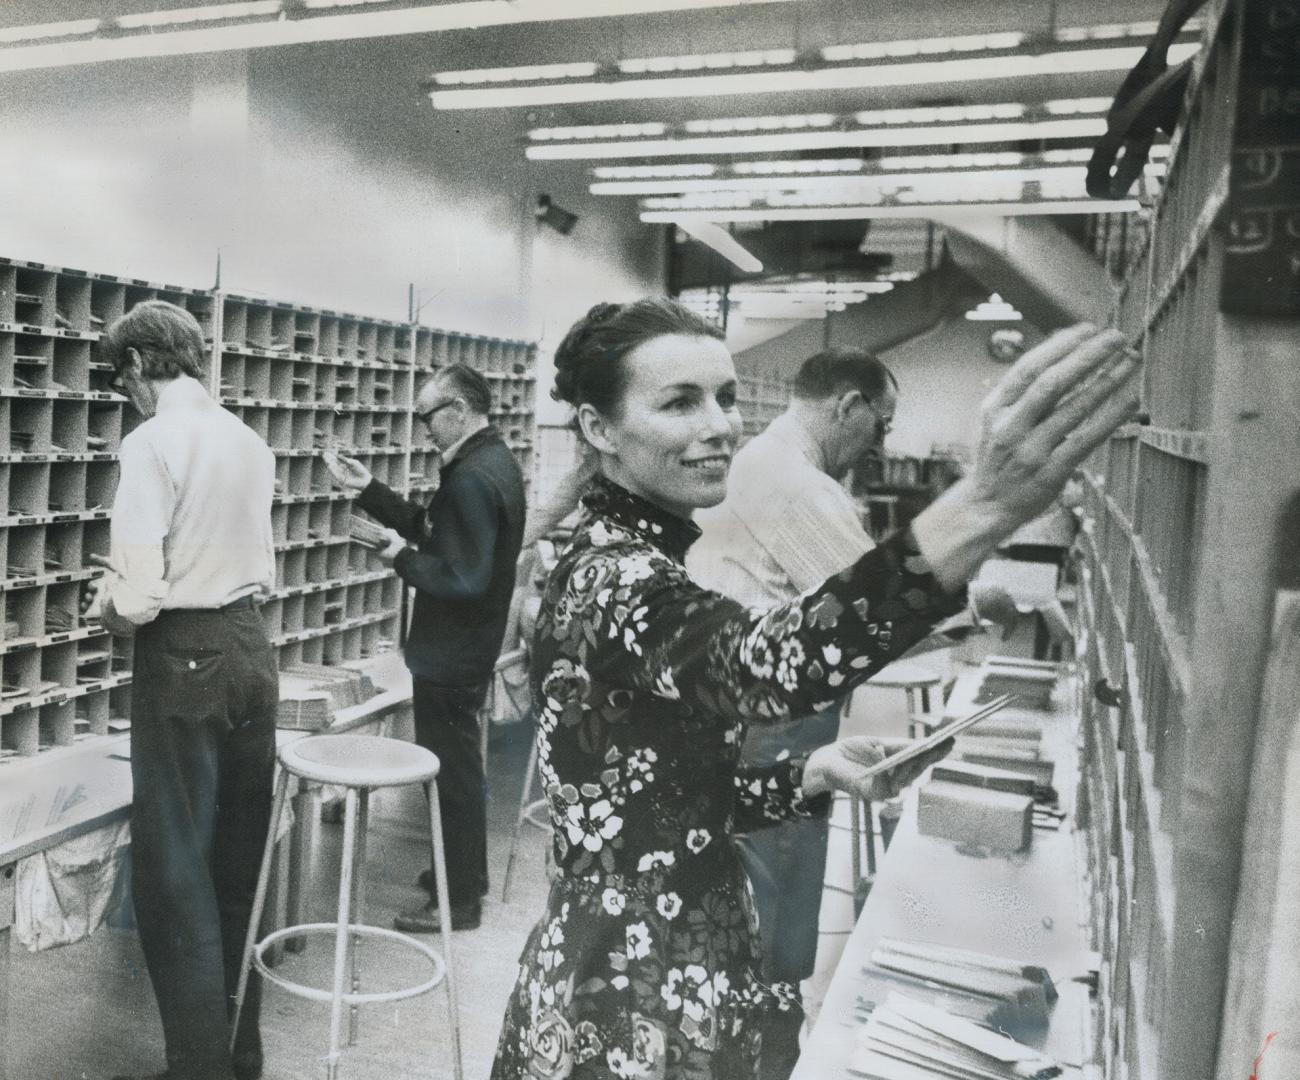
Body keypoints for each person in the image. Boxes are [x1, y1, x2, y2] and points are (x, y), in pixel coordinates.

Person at [490, 299, 1139, 1080]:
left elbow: (662, 807)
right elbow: (769, 663)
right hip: (634, 998)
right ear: (600, 429)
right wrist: (983, 504)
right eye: (679, 402)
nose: (721, 424)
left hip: (669, 961)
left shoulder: (638, 557)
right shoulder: (612, 576)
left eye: (725, 397)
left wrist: (807, 776)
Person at [686, 346, 898, 1080]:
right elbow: (876, 613)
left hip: (742, 712)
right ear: (848, 406)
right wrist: (977, 598)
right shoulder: (799, 486)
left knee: (755, 906)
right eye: (881, 426)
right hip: (773, 724)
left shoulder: (755, 461)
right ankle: (768, 1061)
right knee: (775, 920)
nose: (880, 446)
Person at [81, 300, 279, 1080]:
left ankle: (197, 1066)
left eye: (116, 377)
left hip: (184, 655)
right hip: (251, 648)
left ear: (135, 366)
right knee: (240, 858)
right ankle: (241, 1051)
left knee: (175, 868)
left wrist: (106, 601)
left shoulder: (150, 440)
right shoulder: (247, 438)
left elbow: (140, 594)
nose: (122, 391)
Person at [324, 362, 526, 933]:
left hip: (451, 653)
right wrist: (368, 490)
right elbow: (438, 531)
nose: (424, 429)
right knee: (460, 768)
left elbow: (462, 579)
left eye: (428, 416)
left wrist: (398, 559)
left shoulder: (470, 477)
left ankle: (457, 900)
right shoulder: (490, 461)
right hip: (466, 649)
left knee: (451, 774)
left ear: (458, 410)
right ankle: (460, 875)